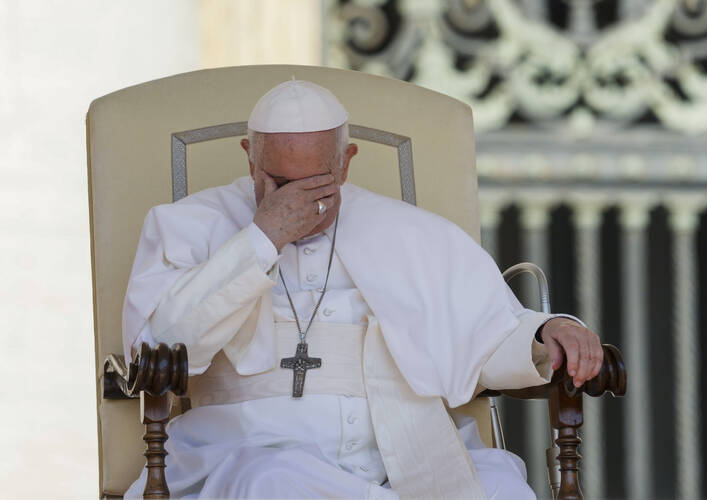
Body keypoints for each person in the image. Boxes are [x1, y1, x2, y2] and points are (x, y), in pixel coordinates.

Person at [122, 79, 603, 499]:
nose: (297, 202)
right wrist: (260, 240)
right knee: (270, 485)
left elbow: (492, 333)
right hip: (252, 452)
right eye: (279, 182)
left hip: (407, 457)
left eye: (316, 182)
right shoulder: (184, 225)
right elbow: (157, 343)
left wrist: (548, 333)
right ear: (250, 158)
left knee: (503, 489)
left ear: (346, 161)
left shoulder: (415, 233)